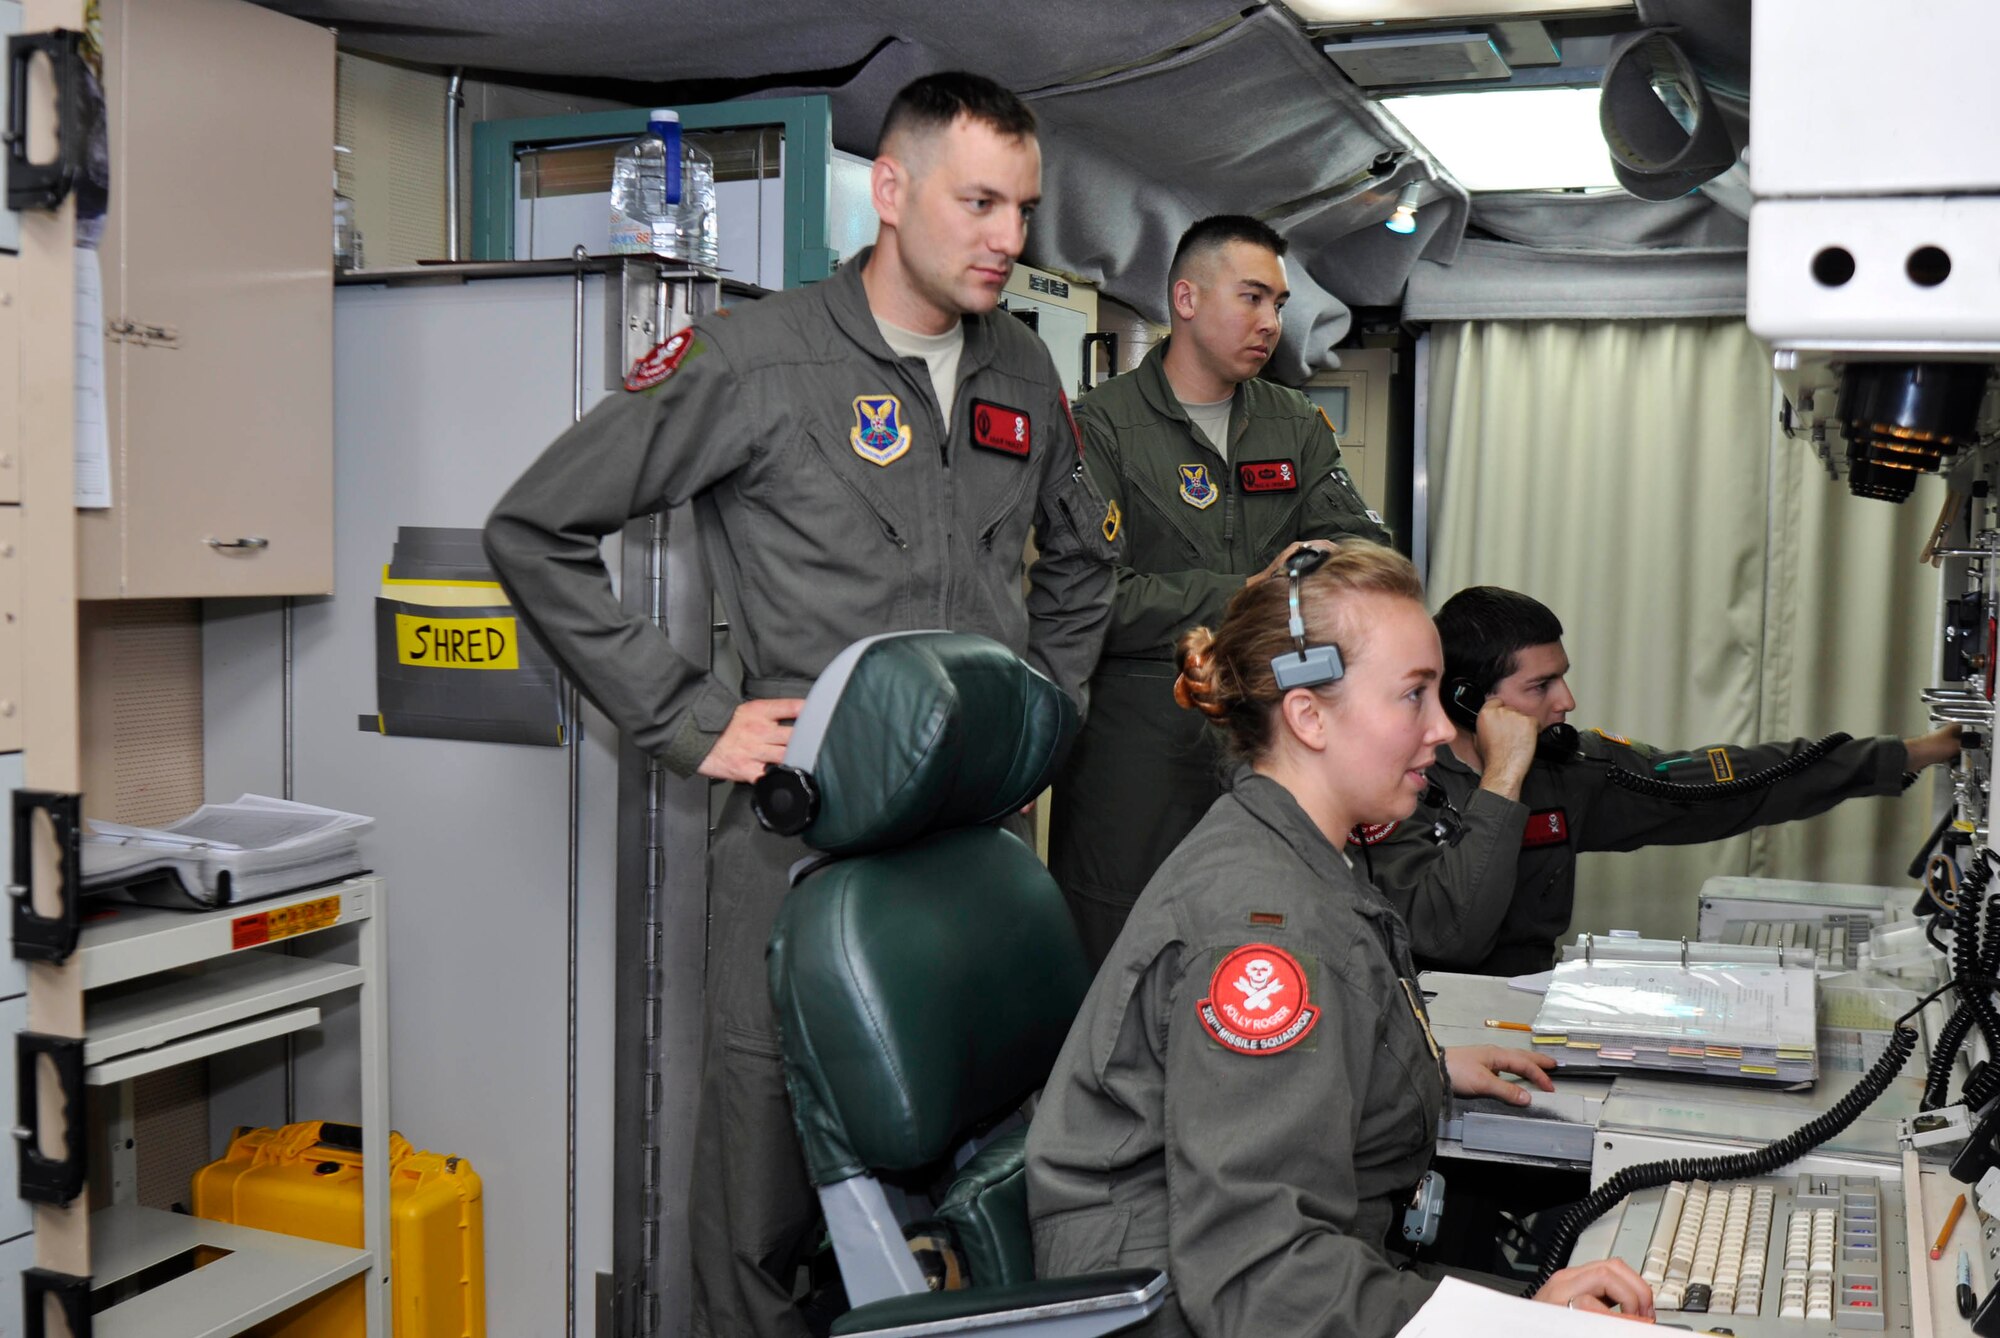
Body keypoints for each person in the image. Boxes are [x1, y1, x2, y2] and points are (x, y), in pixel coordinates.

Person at [483, 72, 1119, 1338]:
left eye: (1024, 209)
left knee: (966, 1187)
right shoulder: (756, 360)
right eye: (978, 201)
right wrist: (688, 717)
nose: (1007, 237)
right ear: (890, 192)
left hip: (972, 847)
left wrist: (1037, 715)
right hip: (801, 846)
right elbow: (533, 527)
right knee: (768, 1206)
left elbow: (1087, 553)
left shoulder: (1021, 367)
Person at [1026, 543, 1653, 1336]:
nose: (1440, 728)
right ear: (1310, 716)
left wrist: (1413, 1061)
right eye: (1414, 696)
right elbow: (1260, 1282)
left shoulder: (1293, 845)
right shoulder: (1263, 931)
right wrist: (1518, 1325)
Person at [1049, 215, 1390, 966]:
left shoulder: (1293, 424)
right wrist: (1254, 592)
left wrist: (1329, 558)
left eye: (1279, 302)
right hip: (1137, 756)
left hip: (1272, 740)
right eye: (1253, 298)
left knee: (1263, 949)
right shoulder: (1099, 429)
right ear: (1187, 299)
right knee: (1120, 955)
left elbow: (1366, 546)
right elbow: (1093, 600)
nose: (1272, 322)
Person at [1362, 586, 1962, 977]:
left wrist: (1907, 754)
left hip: (1529, 1010)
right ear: (1468, 700)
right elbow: (1449, 938)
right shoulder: (1392, 786)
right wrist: (1502, 778)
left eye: (1562, 678)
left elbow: (1729, 783)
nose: (1567, 701)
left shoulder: (1565, 770)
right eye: (1540, 686)